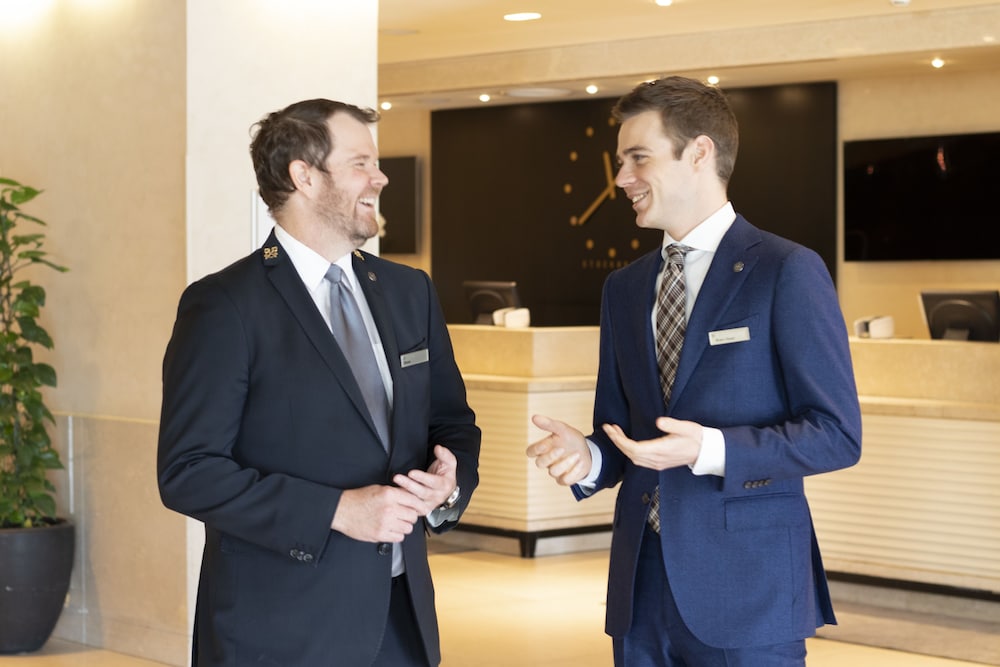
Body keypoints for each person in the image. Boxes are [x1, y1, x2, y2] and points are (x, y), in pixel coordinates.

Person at [526, 76, 861, 667]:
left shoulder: (786, 271)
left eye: (638, 159)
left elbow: (837, 434)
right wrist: (591, 457)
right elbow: (624, 433)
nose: (622, 178)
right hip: (640, 590)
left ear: (699, 153)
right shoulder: (624, 288)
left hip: (750, 591)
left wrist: (708, 448)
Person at [158, 98, 480, 667]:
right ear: (303, 176)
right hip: (278, 630)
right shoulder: (224, 305)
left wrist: (447, 484)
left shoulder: (411, 292)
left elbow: (451, 422)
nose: (380, 177)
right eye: (361, 162)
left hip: (402, 620)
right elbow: (189, 472)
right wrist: (335, 510)